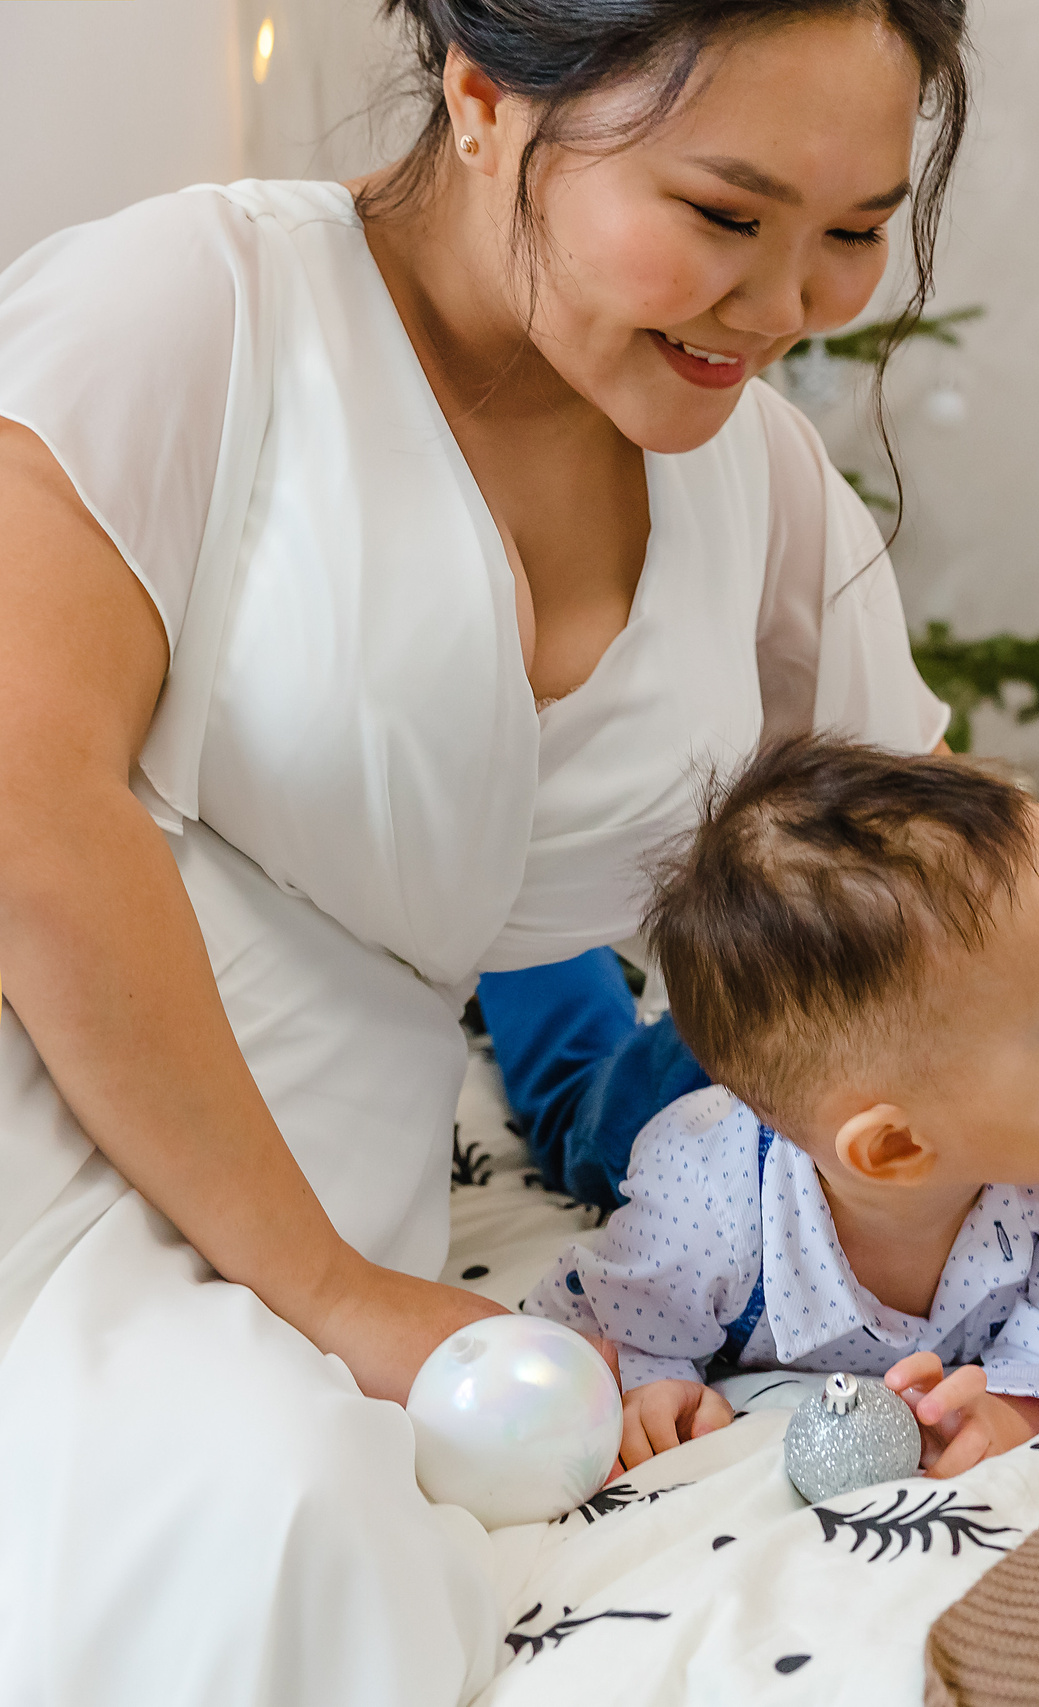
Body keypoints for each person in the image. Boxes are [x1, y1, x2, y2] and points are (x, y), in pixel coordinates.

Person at [0, 3, 971, 1701]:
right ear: (482, 100)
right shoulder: (191, 311)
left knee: (294, 1513)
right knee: (260, 1516)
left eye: (858, 235)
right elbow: (26, 809)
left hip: (341, 1169)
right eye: (726, 217)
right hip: (66, 1085)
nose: (788, 305)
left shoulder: (763, 484)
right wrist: (335, 1292)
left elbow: (957, 903)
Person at [528, 738, 1039, 1474]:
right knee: (574, 1096)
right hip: (666, 1100)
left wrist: (1012, 1409)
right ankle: (534, 945)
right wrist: (651, 1387)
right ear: (896, 1147)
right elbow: (613, 1321)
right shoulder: (704, 1210)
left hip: (804, 1083)